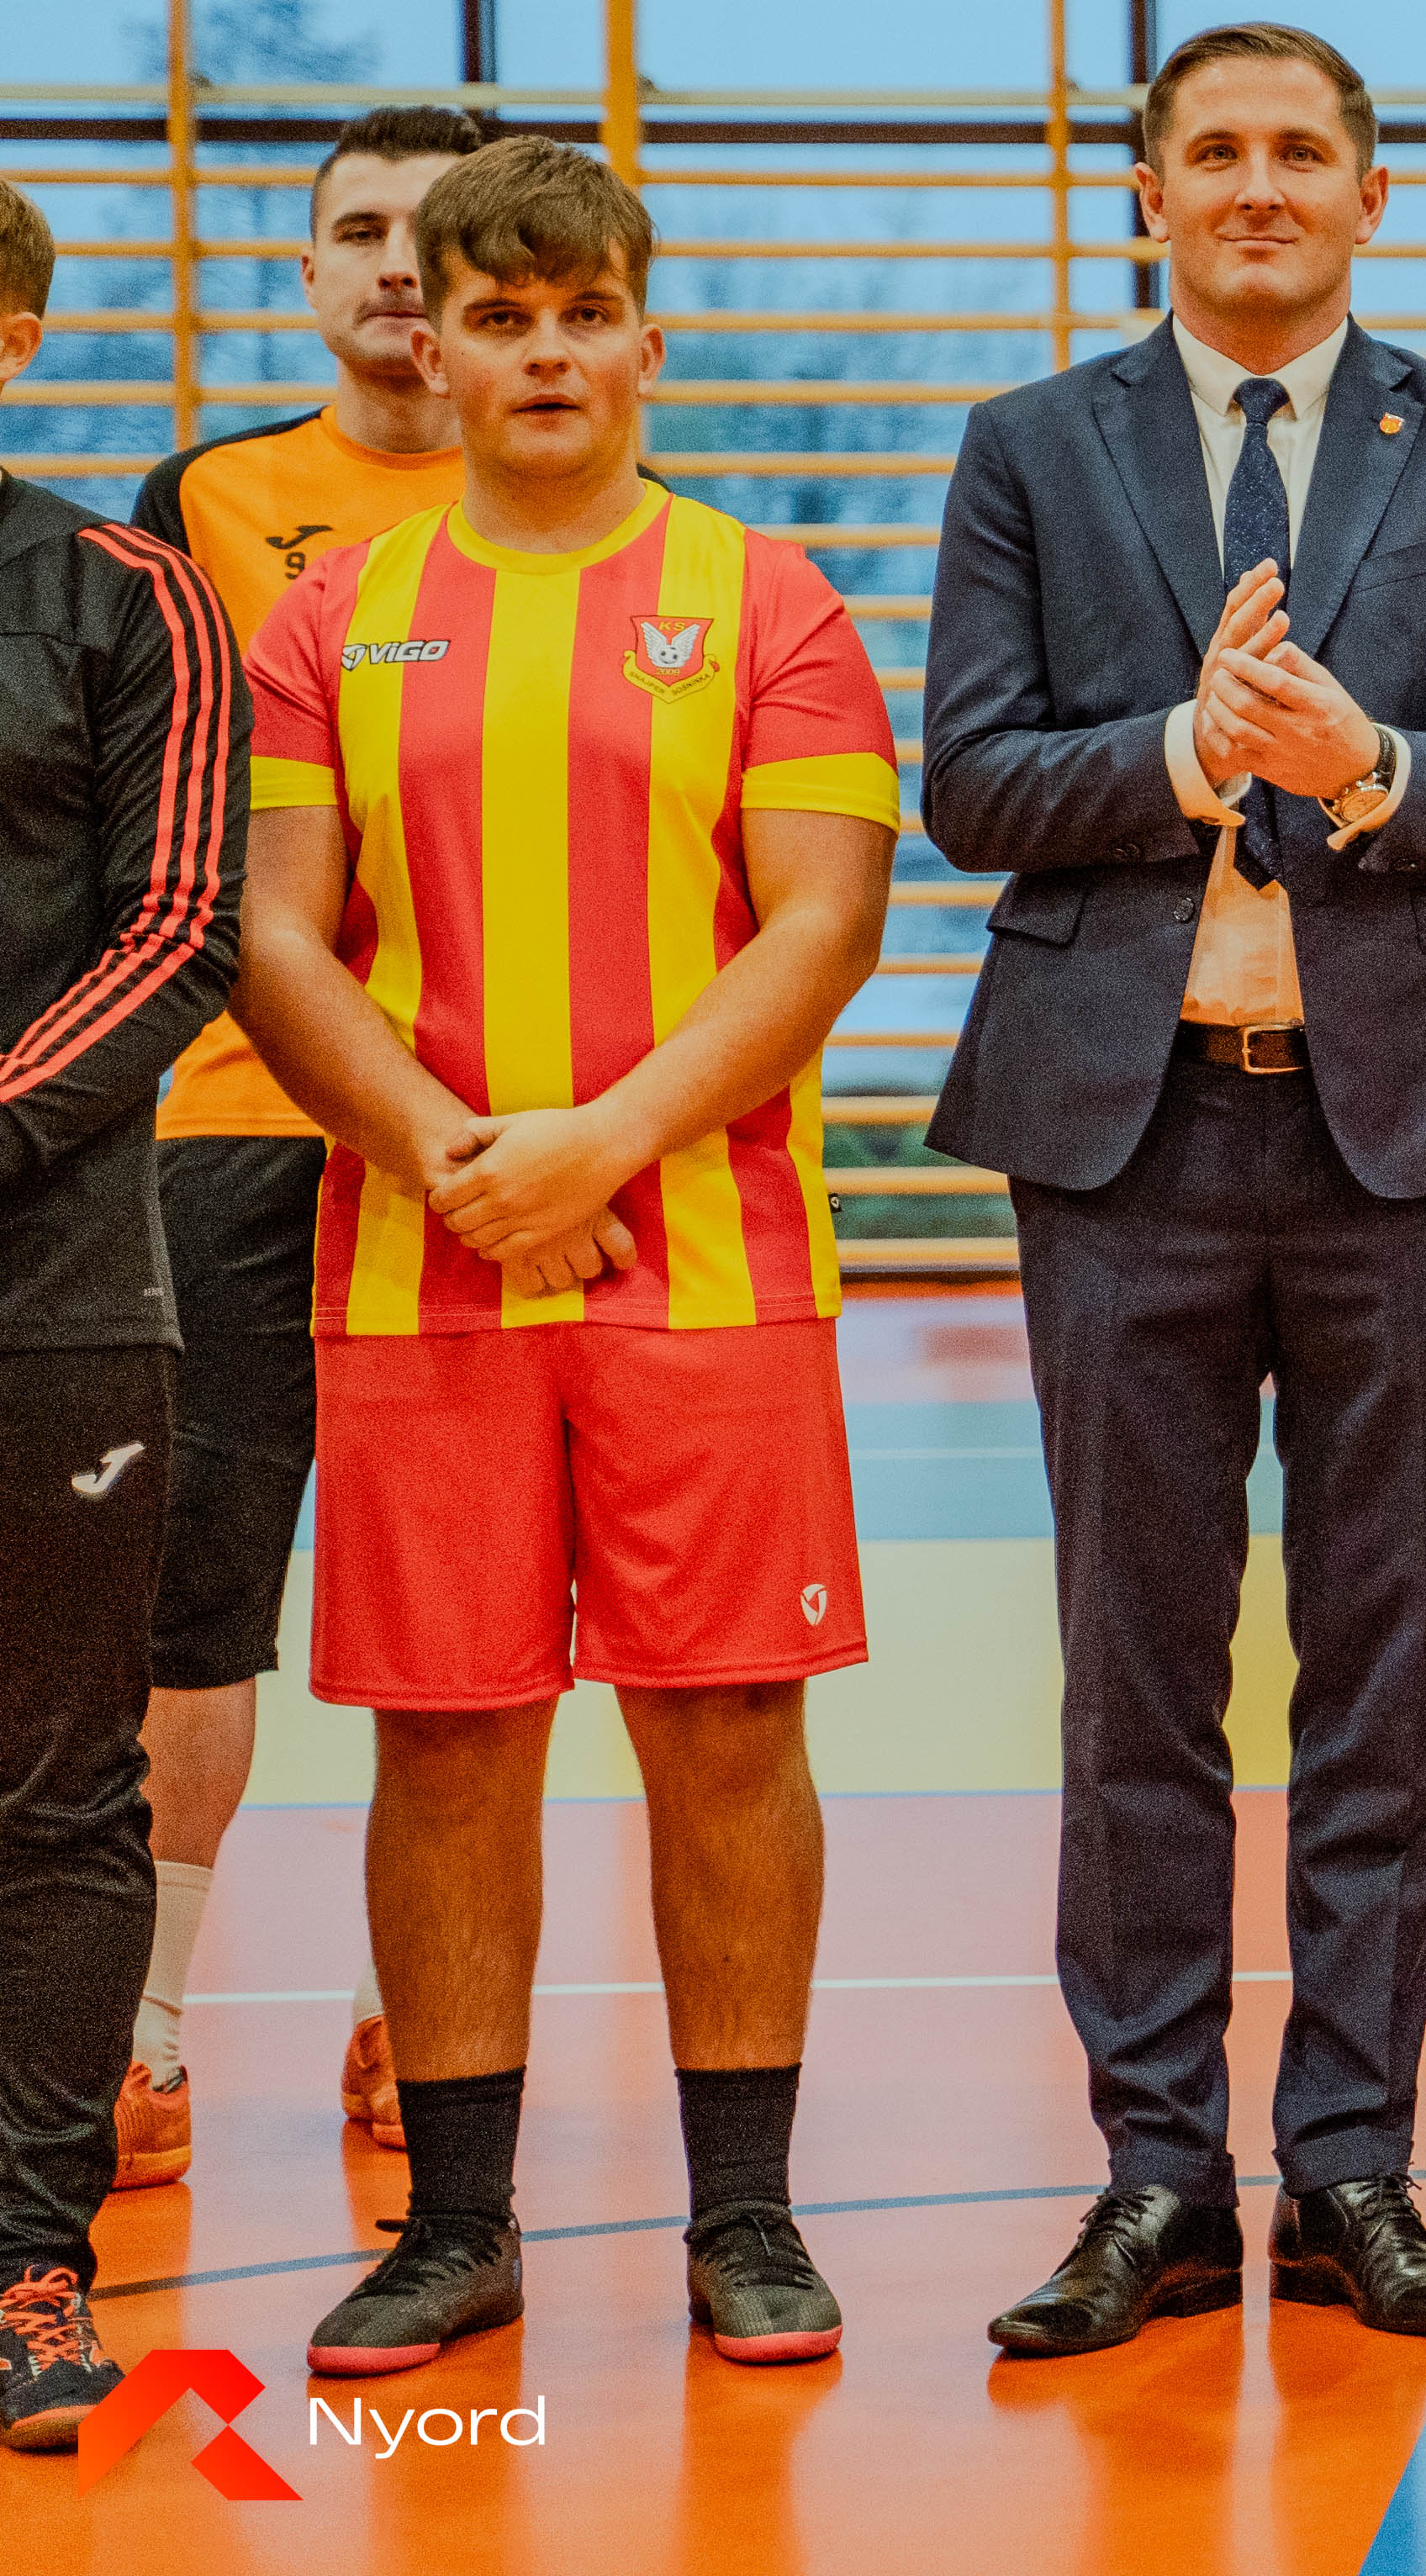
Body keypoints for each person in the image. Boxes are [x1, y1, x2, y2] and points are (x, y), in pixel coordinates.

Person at [927, 25, 1426, 2357]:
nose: (1260, 184)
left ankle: (1358, 2165)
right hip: (1128, 1133)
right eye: (1215, 150)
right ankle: (1155, 2174)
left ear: (1373, 195)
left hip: (1401, 1133)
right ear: (1150, 194)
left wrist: (1370, 759)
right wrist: (1184, 752)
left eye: (1303, 149)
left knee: (1387, 1678)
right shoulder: (1030, 445)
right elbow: (972, 783)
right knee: (1137, 1681)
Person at [230, 140, 898, 2377]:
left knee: (729, 1724)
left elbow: (822, 923)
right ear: (432, 344)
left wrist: (601, 1142)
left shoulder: (769, 596)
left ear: (646, 339)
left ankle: (747, 2215)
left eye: (581, 314)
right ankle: (455, 2226)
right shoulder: (332, 614)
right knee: (446, 1739)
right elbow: (273, 932)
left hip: (709, 1259)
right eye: (499, 318)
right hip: (418, 1264)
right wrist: (453, 1160)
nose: (543, 354)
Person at [113, 103, 487, 2192]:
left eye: (436, 229)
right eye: (359, 230)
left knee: (454, 1608)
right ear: (310, 269)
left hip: (478, 1136)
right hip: (237, 1119)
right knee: (195, 1594)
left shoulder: (573, 505)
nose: (399, 265)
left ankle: (413, 2013)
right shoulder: (209, 498)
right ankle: (147, 2026)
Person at [0, 176, 245, 2452]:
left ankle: (25, 2264)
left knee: (58, 1786)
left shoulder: (123, 591)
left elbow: (178, 925)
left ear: (17, 333)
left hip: (56, 1289)